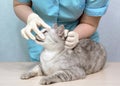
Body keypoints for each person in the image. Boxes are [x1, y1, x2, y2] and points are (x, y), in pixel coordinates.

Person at [13, 0, 109, 61]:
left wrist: (76, 35)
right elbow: (19, 4)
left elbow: (90, 23)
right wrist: (30, 17)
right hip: (42, 40)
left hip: (79, 45)